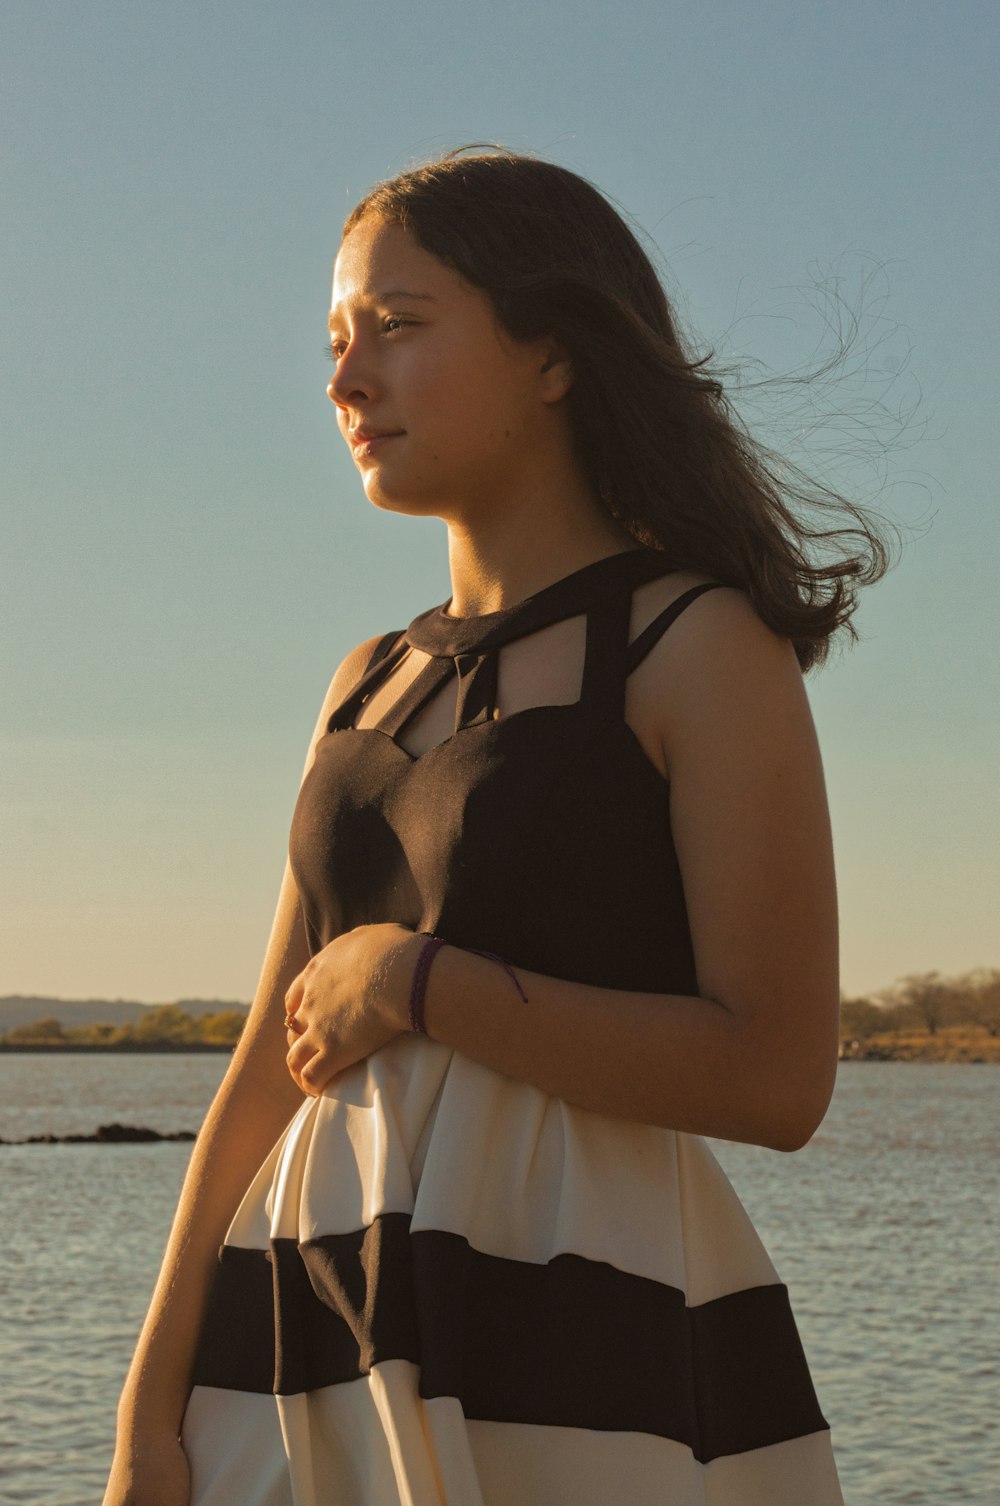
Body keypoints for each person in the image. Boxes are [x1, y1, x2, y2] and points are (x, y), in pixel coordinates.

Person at [104, 146, 890, 1506]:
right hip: (298, 1335)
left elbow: (777, 1075)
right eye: (338, 339)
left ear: (557, 354)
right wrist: (151, 1400)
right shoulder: (366, 679)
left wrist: (416, 982)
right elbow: (261, 1067)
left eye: (399, 328)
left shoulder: (698, 645)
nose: (347, 379)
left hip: (583, 1339)